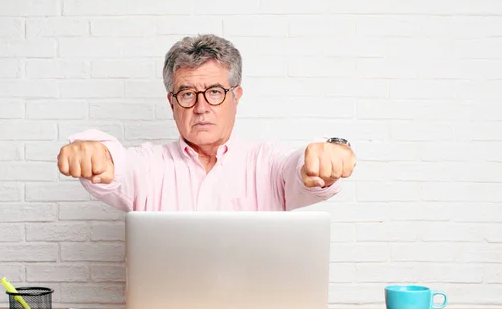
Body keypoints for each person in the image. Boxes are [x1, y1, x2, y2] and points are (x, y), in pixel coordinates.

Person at [57, 34, 356, 211]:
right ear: (171, 102)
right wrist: (95, 152)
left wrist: (326, 156)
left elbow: (299, 169)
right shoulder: (148, 166)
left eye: (214, 92)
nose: (201, 107)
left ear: (236, 96)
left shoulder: (267, 163)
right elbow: (117, 166)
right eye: (187, 93)